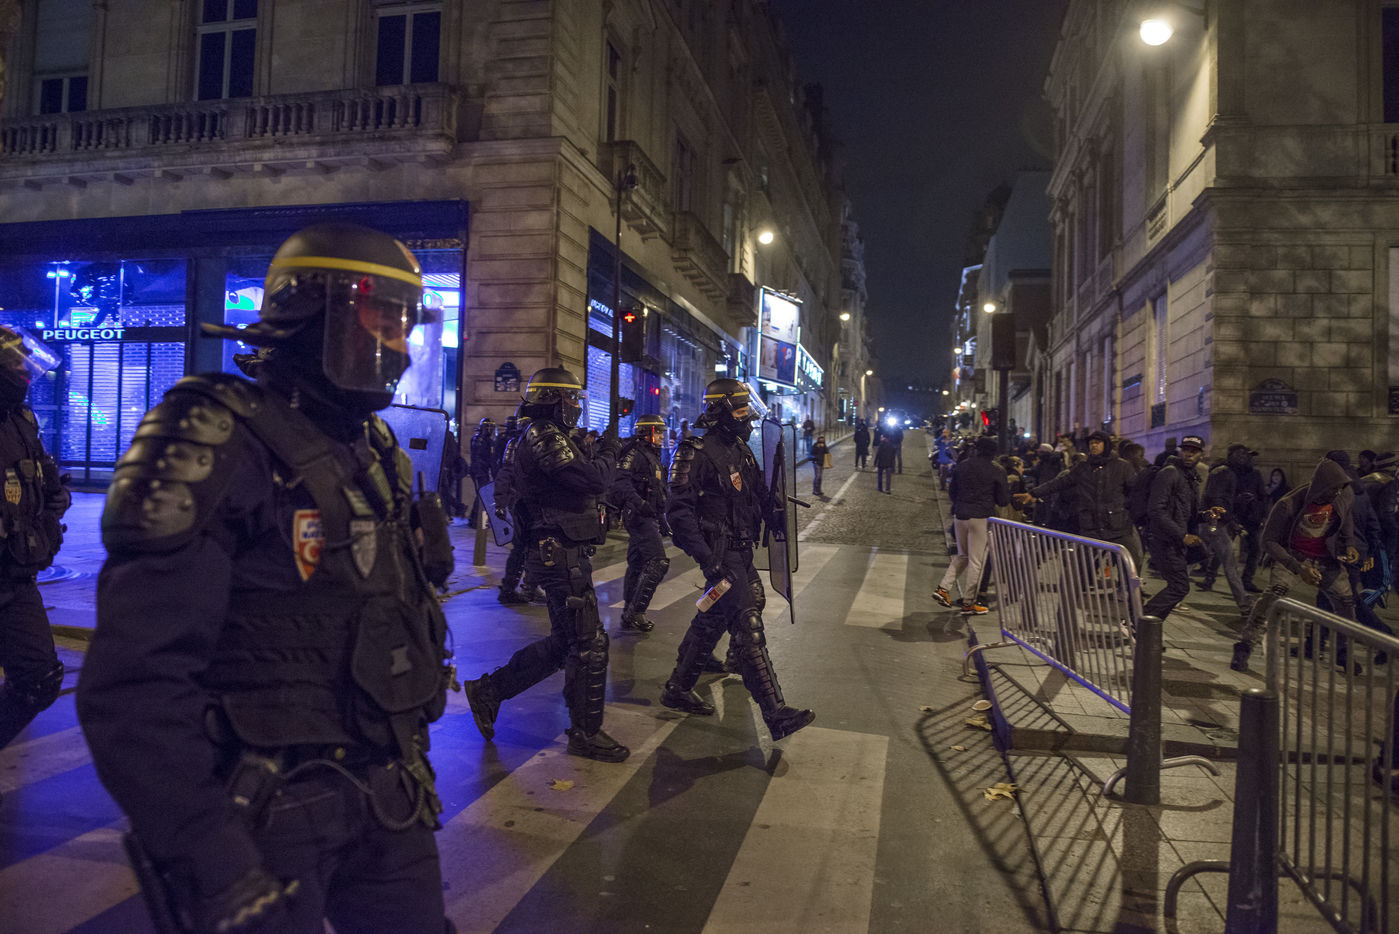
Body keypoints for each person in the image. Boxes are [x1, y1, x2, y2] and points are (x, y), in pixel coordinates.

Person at [76, 224, 455, 933]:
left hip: (387, 795)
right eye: (383, 321)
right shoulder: (214, 438)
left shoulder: (373, 449)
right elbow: (136, 684)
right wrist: (210, 858)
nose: (400, 346)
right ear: (318, 311)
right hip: (266, 814)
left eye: (405, 326)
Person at [462, 367, 629, 762]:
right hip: (556, 552)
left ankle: (489, 691)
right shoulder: (543, 435)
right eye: (572, 398)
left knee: (568, 642)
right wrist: (610, 451)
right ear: (553, 399)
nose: (576, 406)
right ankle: (584, 733)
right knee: (587, 642)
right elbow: (592, 480)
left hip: (564, 550)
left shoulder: (554, 435)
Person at [656, 379, 813, 741]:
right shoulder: (693, 451)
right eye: (741, 411)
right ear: (721, 412)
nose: (748, 419)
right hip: (720, 552)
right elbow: (677, 512)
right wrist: (705, 557)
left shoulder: (740, 449)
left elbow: (754, 495)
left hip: (741, 549)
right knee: (747, 622)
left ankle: (678, 687)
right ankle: (775, 713)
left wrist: (774, 512)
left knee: (716, 615)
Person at [0, 327, 68, 755]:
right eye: (14, 364)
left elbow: (44, 475)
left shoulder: (19, 420)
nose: (24, 373)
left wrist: (53, 503)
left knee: (38, 680)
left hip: (13, 575)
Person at [1232, 457, 1358, 672]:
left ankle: (1344, 653)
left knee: (1346, 603)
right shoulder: (1289, 504)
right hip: (1293, 556)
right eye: (1333, 489)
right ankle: (1244, 647)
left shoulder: (1343, 495)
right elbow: (1268, 541)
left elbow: (1346, 517)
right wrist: (1298, 567)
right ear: (1322, 487)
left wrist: (1349, 544)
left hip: (1325, 559)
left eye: (1340, 488)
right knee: (1272, 598)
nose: (1337, 493)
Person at [1013, 429, 1143, 573]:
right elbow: (1059, 483)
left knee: (1130, 566)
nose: (1094, 445)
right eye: (1091, 443)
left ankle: (1127, 587)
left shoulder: (1122, 466)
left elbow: (1135, 492)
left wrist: (1129, 513)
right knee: (1081, 569)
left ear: (1105, 444)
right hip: (1091, 527)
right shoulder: (1083, 467)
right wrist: (1033, 493)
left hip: (1118, 526)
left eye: (1097, 442)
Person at [934, 436, 1011, 615]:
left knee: (962, 555)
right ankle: (969, 602)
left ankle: (943, 589)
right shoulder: (997, 470)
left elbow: (952, 491)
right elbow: (1002, 500)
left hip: (960, 514)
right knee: (977, 561)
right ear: (993, 452)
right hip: (980, 517)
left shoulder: (963, 465)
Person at [612, 414, 670, 633]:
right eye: (659, 432)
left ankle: (629, 612)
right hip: (638, 516)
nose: (662, 436)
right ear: (648, 432)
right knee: (658, 562)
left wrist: (662, 519)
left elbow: (658, 491)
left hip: (650, 516)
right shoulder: (634, 454)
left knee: (637, 564)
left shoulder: (652, 455)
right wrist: (640, 503)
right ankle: (637, 611)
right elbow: (621, 483)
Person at [1142, 434, 1206, 626]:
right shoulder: (1170, 473)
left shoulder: (1190, 477)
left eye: (1193, 451)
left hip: (1174, 539)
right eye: (1185, 450)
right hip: (1163, 539)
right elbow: (1156, 510)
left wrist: (1206, 515)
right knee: (1179, 586)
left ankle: (1147, 627)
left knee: (1178, 586)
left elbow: (1186, 514)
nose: (1189, 454)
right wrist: (1182, 535)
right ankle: (1139, 622)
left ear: (1201, 455)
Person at [1195, 442, 1256, 611]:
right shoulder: (1224, 472)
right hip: (1214, 523)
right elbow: (1216, 499)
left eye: (1245, 455)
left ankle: (1175, 589)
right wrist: (1230, 520)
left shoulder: (1230, 473)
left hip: (1213, 522)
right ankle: (1244, 603)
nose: (1244, 458)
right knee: (1230, 563)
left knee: (1196, 557)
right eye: (1240, 454)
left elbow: (1221, 498)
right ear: (1231, 456)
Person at [467, 416, 495, 525]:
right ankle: (477, 521)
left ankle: (474, 520)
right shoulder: (487, 441)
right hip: (481, 471)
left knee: (480, 495)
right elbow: (489, 459)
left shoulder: (475, 438)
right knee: (483, 496)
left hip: (477, 470)